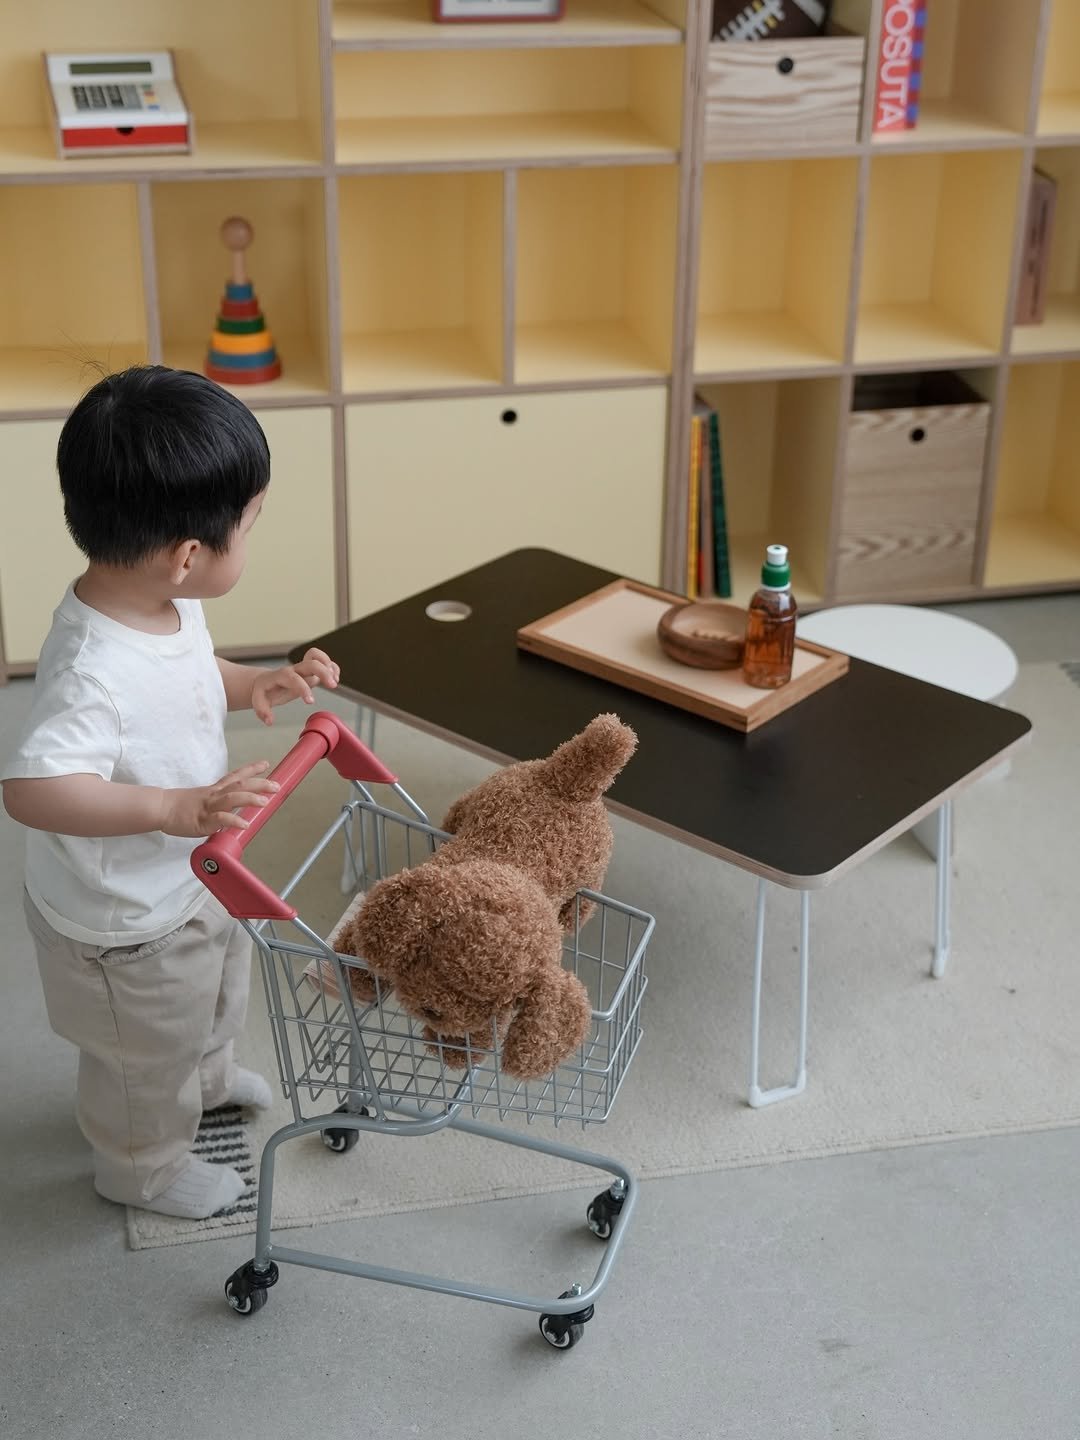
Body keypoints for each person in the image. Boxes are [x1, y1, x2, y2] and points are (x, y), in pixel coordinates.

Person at [1, 365, 341, 1220]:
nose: (250, 538)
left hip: (193, 873)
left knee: (218, 988)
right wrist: (169, 810)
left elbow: (187, 674)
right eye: (249, 526)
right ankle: (140, 1166)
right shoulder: (89, 671)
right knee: (142, 1056)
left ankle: (211, 1077)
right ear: (190, 554)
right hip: (124, 923)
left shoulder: (162, 602)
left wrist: (250, 682)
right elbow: (32, 789)